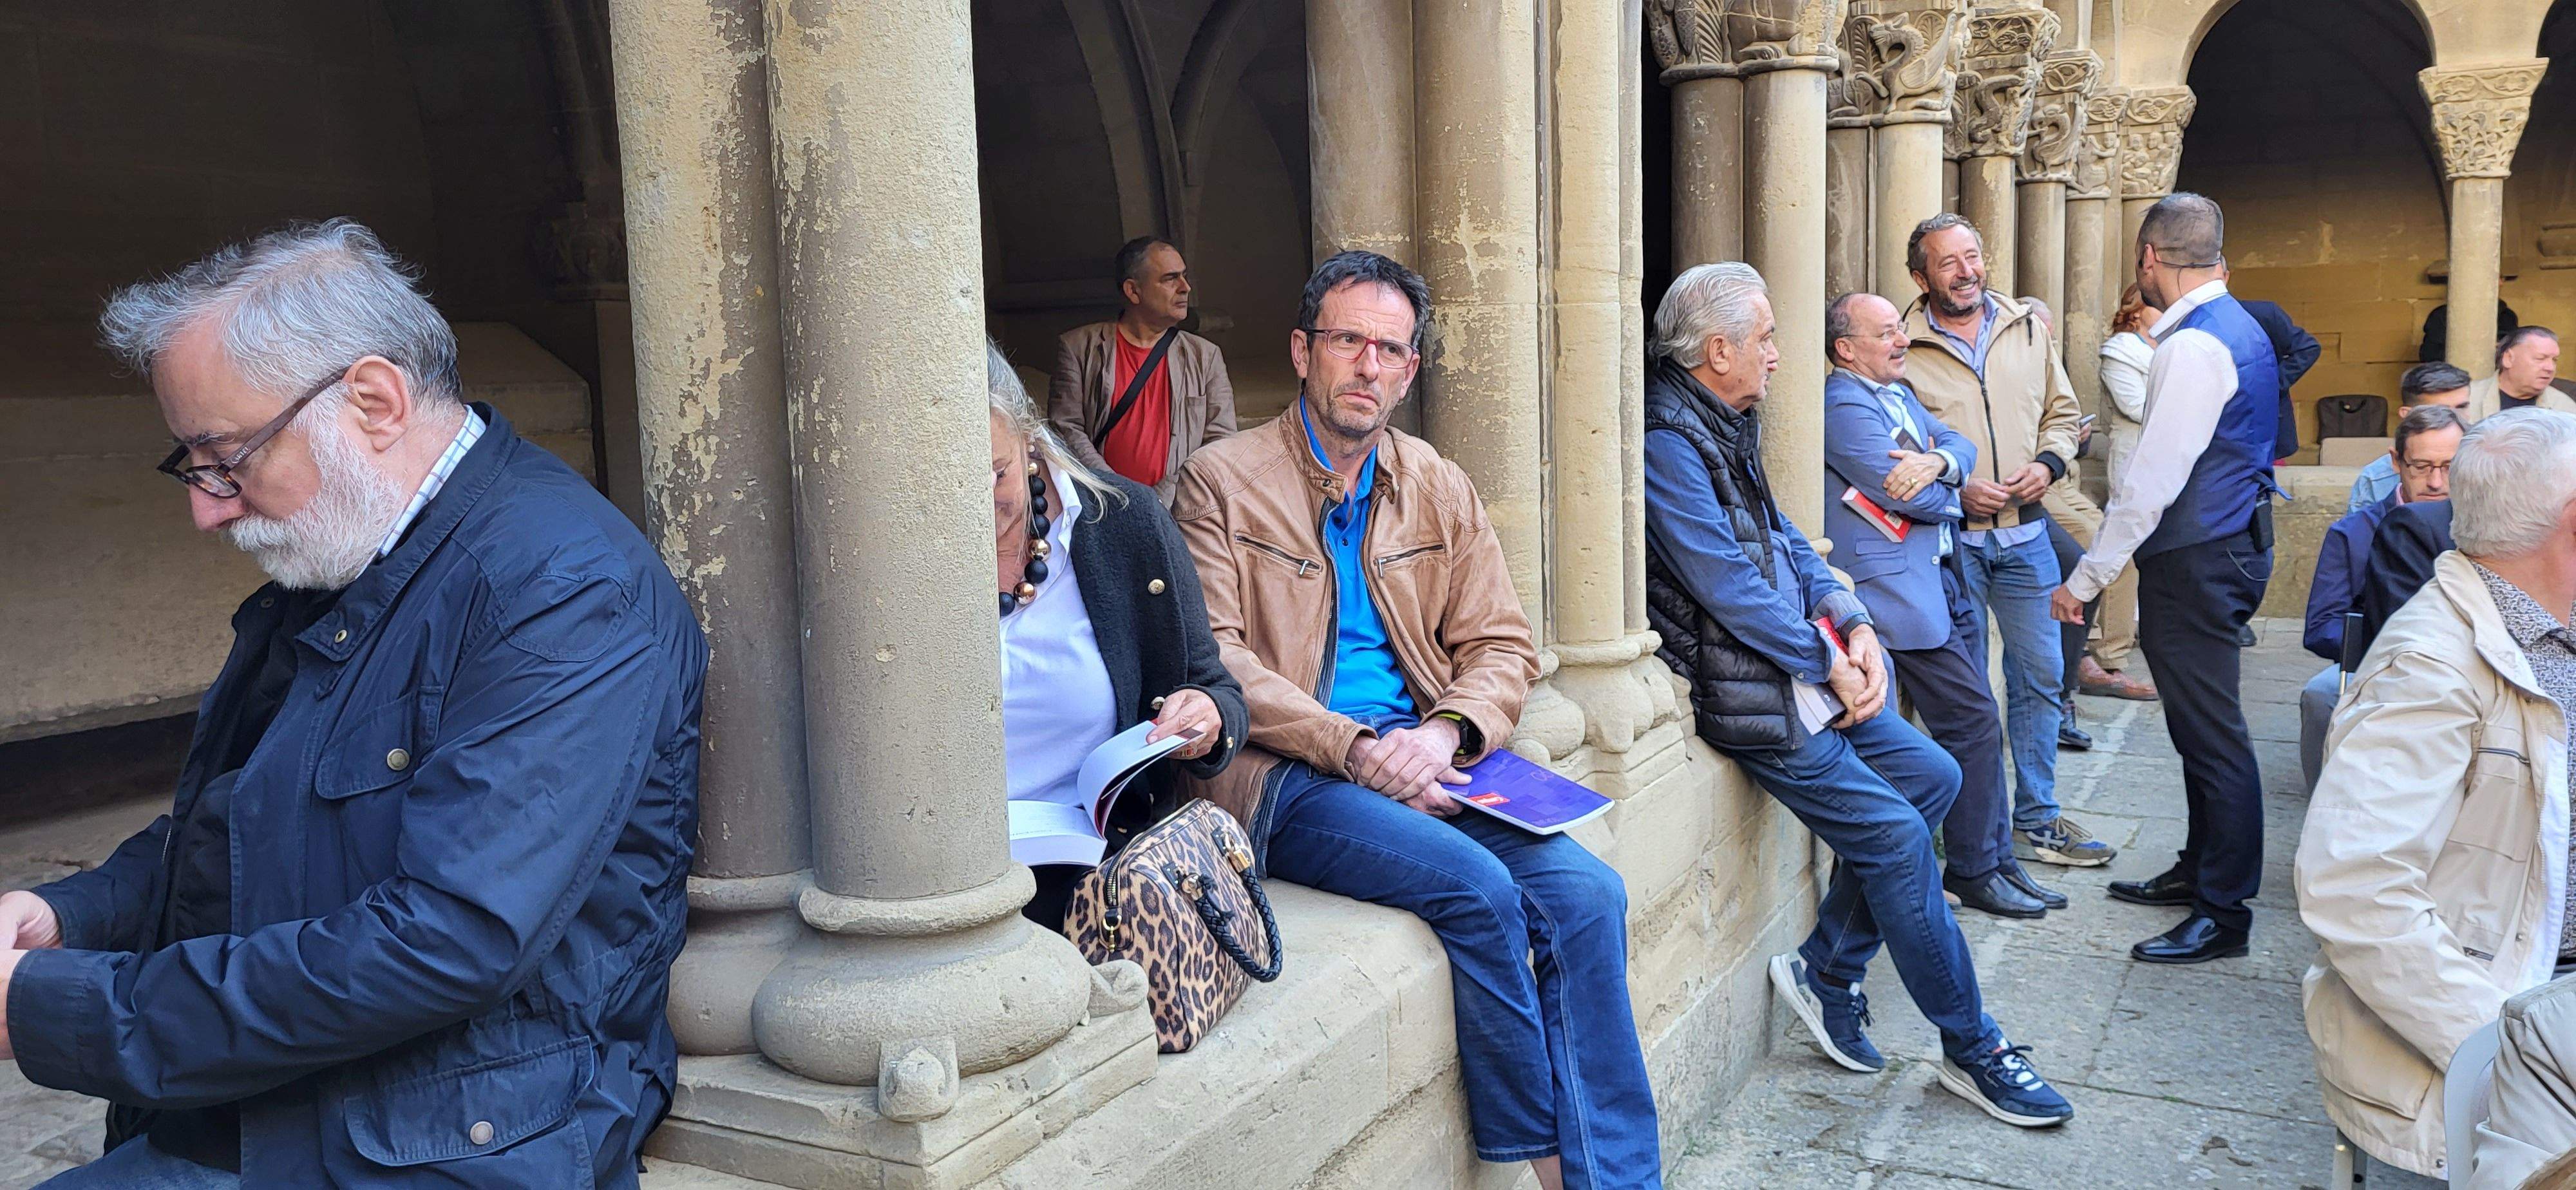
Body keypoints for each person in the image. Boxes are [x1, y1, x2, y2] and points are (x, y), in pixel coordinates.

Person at [0, 220, 705, 1186]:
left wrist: (64, 1009)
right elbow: (246, 823)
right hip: (310, 1096)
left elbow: (449, 940)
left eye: (226, 457)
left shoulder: (565, 590)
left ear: (374, 401)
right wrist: (71, 915)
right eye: (193, 464)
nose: (207, 506)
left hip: (452, 1139)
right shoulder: (359, 550)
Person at [1171, 250, 1658, 1188]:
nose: (1369, 365)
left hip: (1427, 757)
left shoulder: (1435, 480)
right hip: (1289, 773)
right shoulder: (1220, 481)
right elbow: (1217, 659)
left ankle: (1621, 1181)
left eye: (1390, 349)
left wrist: (1441, 735)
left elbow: (1502, 645)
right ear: (1302, 351)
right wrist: (1357, 749)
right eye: (1347, 341)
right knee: (1478, 888)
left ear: (1410, 370)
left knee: (1589, 897)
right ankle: (1557, 1171)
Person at [1646, 261, 2074, 1128]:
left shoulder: (1725, 417)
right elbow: (1724, 580)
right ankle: (1973, 1046)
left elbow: (1782, 537)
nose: (1778, 354)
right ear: (1718, 350)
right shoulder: (1668, 439)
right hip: (1749, 692)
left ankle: (1828, 970)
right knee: (1896, 836)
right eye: (1766, 338)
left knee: (1935, 779)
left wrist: (1851, 619)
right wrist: (1822, 658)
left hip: (1793, 669)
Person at [2297, 408, 2576, 1182]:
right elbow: (2353, 888)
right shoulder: (2429, 666)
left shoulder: (2553, 624)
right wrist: (2514, 1052)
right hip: (2503, 1048)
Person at [2052, 192, 2282, 965]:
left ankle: (2224, 911)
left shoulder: (2191, 347)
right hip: (2223, 545)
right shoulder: (2235, 324)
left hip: (2200, 556)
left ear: (2149, 258)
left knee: (2212, 736)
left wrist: (2085, 580)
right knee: (2196, 728)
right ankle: (2199, 868)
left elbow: (2149, 482)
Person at [985, 340, 1247, 930]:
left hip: (1098, 881)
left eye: (995, 474)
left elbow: (1216, 689)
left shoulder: (1124, 521)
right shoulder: (887, 557)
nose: (975, 503)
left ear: (1029, 439)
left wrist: (1204, 716)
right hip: (937, 877)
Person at [1823, 292, 2059, 917]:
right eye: (1884, 334)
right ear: (1846, 349)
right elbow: (1904, 496)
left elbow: (1960, 442)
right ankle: (1974, 869)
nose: (1901, 340)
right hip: (1892, 592)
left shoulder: (1896, 394)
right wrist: (1958, 493)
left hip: (1939, 577)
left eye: (1897, 330)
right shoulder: (1842, 404)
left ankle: (1994, 861)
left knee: (1976, 720)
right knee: (1969, 722)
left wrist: (1937, 460)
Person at [1900, 214, 2114, 868]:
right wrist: (1954, 489)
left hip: (2026, 536)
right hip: (1950, 544)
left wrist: (2048, 465)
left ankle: (2039, 819)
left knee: (2041, 678)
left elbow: (2062, 412)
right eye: (1947, 262)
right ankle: (1970, 829)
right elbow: (1894, 446)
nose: (1966, 272)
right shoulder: (1902, 345)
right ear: (1921, 278)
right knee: (1964, 697)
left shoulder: (2024, 327)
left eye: (1972, 256)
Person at [2297, 403, 2464, 791]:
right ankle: (2326, 805)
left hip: (2467, 659)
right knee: (2321, 696)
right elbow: (2321, 627)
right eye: (2421, 467)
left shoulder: (2485, 525)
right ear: (2396, 462)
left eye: (2449, 467)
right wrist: (2387, 647)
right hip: (2376, 661)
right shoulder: (2353, 531)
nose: (2436, 482)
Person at [1048, 236, 1238, 504]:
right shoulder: (1079, 348)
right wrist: (1118, 492)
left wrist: (1160, 498)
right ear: (1133, 291)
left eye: (1184, 277)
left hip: (1178, 511)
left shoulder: (1205, 357)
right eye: (1170, 279)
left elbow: (1221, 442)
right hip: (1104, 505)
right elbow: (1066, 429)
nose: (1185, 288)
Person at [2349, 361, 2473, 511]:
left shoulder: (2493, 468)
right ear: (2407, 415)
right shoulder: (2375, 480)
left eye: (2462, 407)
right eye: (2421, 467)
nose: (2455, 419)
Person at [2227, 272, 2320, 460]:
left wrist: (2272, 383)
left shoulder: (2263, 314)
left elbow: (2308, 348)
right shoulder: (2186, 322)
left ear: (2224, 277)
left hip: (2265, 426)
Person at [2469, 326, 2573, 420]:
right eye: (2540, 359)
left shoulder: (2564, 408)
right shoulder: (2468, 398)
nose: (2550, 368)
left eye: (2554, 360)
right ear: (2509, 359)